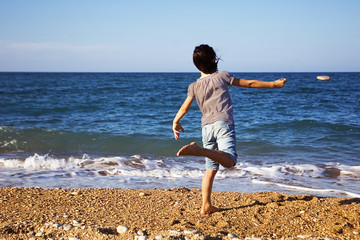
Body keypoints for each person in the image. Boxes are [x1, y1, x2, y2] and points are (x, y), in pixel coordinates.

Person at [172, 44, 286, 215]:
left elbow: (184, 108)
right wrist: (274, 85)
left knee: (210, 168)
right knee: (230, 161)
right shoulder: (222, 76)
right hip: (223, 124)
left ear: (196, 65)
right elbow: (251, 84)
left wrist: (175, 121)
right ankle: (200, 150)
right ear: (213, 59)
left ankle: (206, 206)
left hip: (206, 128)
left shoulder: (194, 86)